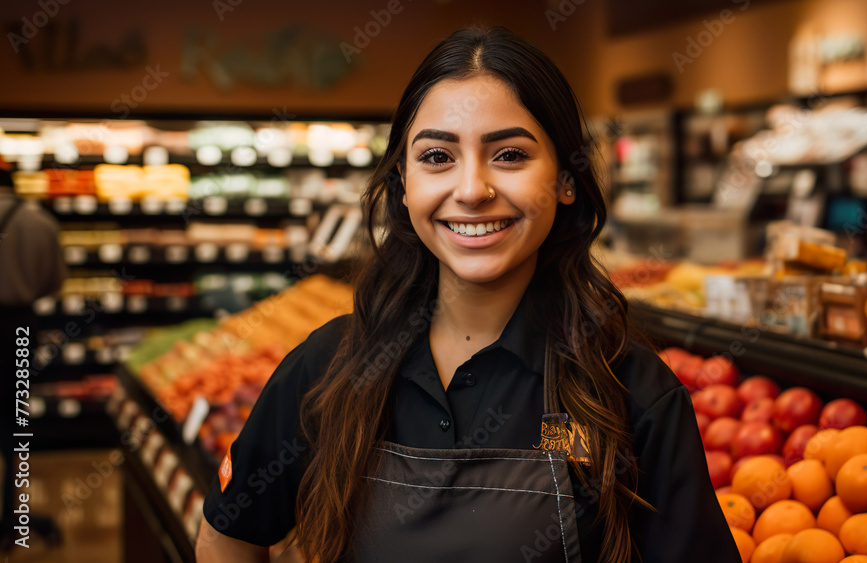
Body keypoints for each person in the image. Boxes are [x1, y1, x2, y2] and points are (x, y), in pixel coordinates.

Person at [196, 26, 739, 562]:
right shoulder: (327, 367)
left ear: (567, 179)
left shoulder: (634, 393)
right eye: (437, 157)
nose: (473, 190)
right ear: (403, 184)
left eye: (509, 155)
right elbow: (227, 536)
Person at [0, 163, 66, 550]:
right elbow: (55, 281)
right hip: (20, 329)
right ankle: (16, 517)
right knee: (14, 422)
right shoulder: (40, 220)